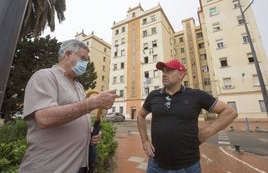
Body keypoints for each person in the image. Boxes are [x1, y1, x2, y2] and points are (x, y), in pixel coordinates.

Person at [19, 39, 118, 173]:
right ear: (67, 54)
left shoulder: (79, 86)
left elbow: (76, 116)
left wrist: (90, 133)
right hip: (50, 167)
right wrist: (94, 102)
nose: (85, 63)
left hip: (79, 166)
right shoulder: (45, 76)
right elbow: (45, 118)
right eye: (82, 58)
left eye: (87, 60)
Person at [137, 59, 238, 173]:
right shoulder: (153, 96)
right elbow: (140, 115)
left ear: (181, 74)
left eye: (169, 71)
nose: (164, 74)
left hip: (188, 166)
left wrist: (205, 133)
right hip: (156, 165)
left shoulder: (196, 95)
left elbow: (230, 112)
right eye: (163, 71)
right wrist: (145, 140)